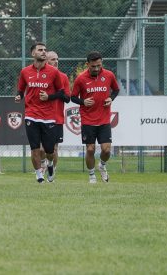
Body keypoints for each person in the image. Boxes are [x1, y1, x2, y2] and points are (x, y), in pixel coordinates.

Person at [15, 42, 65, 184]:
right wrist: (19, 96)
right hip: (31, 114)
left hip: (49, 117)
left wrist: (49, 97)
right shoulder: (25, 72)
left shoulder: (54, 72)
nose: (44, 52)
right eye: (40, 50)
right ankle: (39, 175)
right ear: (33, 54)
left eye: (45, 50)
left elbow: (61, 93)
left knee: (50, 151)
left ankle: (50, 165)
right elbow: (20, 90)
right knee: (35, 148)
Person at [71, 51, 120, 183]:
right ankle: (92, 175)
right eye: (93, 66)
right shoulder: (80, 79)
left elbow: (116, 90)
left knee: (106, 149)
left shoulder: (109, 75)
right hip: (88, 119)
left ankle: (102, 166)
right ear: (88, 64)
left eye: (99, 65)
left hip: (104, 119)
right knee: (90, 149)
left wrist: (111, 98)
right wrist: (83, 102)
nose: (97, 68)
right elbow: (73, 97)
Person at [38, 50, 69, 181]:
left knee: (54, 148)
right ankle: (44, 163)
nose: (56, 61)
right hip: (41, 117)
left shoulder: (63, 77)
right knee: (40, 149)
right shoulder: (39, 76)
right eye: (52, 59)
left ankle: (52, 172)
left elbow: (67, 98)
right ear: (46, 61)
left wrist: (55, 93)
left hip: (56, 118)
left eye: (57, 59)